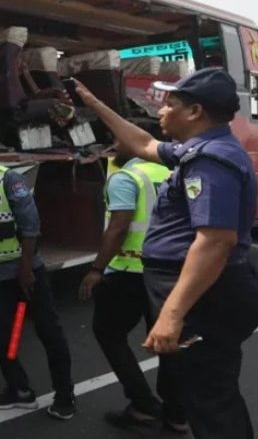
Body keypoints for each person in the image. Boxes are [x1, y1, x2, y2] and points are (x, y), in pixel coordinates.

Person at [75, 67, 258, 439]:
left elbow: (214, 242)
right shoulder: (197, 150)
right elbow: (143, 144)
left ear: (194, 112)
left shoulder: (210, 160)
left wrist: (171, 316)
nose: (161, 111)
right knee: (208, 396)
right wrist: (94, 103)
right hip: (203, 290)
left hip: (207, 296)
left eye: (171, 104)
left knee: (211, 403)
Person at [0, 125, 76, 420]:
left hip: (23, 272)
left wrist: (25, 269)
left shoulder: (9, 179)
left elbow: (30, 227)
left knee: (49, 332)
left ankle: (65, 395)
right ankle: (19, 389)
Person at [79, 149, 186, 432]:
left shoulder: (126, 177)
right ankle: (177, 414)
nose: (112, 149)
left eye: (117, 142)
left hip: (128, 272)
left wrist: (96, 269)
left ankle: (143, 405)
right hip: (167, 272)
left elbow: (118, 228)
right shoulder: (172, 173)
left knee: (109, 333)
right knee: (167, 341)